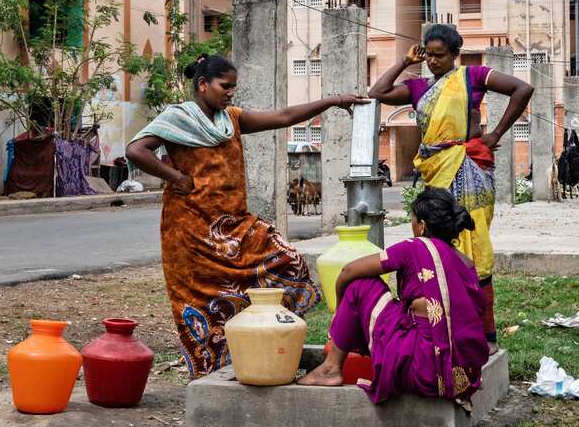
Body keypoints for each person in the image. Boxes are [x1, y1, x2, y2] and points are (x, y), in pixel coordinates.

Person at [126, 54, 367, 377]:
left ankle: (258, 339)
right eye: (225, 86)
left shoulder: (232, 120)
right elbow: (136, 150)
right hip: (190, 230)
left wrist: (334, 101)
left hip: (236, 225)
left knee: (288, 261)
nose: (230, 93)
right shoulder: (177, 118)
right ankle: (219, 369)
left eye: (233, 87)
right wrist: (176, 179)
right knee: (201, 301)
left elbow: (283, 116)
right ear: (202, 85)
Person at [367, 24, 533, 343]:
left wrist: (496, 134)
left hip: (469, 166)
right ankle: (442, 321)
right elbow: (378, 94)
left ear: (456, 55)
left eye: (440, 56)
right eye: (428, 55)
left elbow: (522, 89)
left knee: (473, 240)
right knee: (438, 241)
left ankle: (484, 329)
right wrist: (404, 61)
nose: (432, 61)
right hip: (436, 168)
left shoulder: (472, 77)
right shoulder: (419, 89)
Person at [298, 188, 491, 404]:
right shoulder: (466, 263)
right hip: (462, 375)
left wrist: (340, 313)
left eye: (413, 219)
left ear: (422, 225)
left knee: (359, 286)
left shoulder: (414, 247)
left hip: (422, 370)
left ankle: (330, 368)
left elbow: (348, 272)